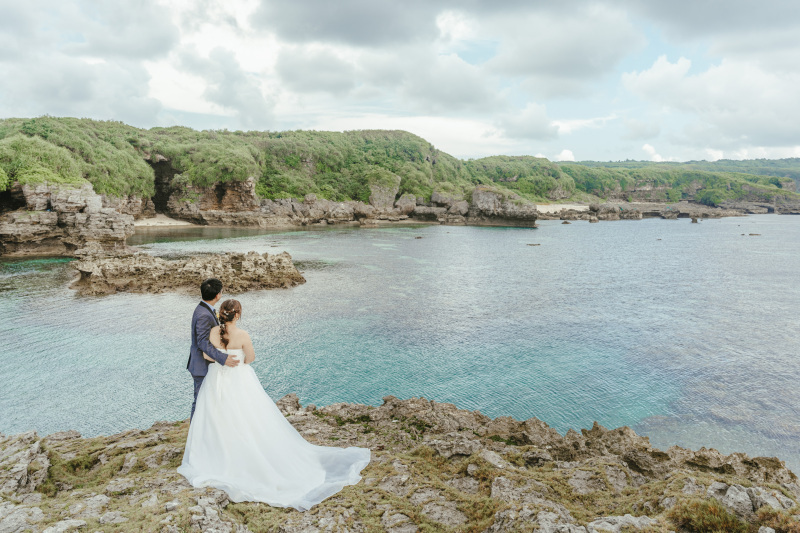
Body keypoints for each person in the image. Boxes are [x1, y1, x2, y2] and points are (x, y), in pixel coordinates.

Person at [178, 299, 371, 511]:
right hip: (239, 379)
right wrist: (237, 359)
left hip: (215, 379)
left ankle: (217, 452)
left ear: (222, 314)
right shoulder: (243, 335)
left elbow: (206, 354)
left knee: (216, 415)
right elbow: (250, 358)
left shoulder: (214, 332)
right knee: (248, 416)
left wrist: (222, 359)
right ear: (238, 315)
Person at [187, 278, 240, 419]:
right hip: (201, 365)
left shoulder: (203, 309)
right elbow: (202, 343)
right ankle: (195, 437)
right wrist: (223, 358)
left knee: (207, 401)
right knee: (199, 402)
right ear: (218, 295)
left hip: (204, 364)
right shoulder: (204, 314)